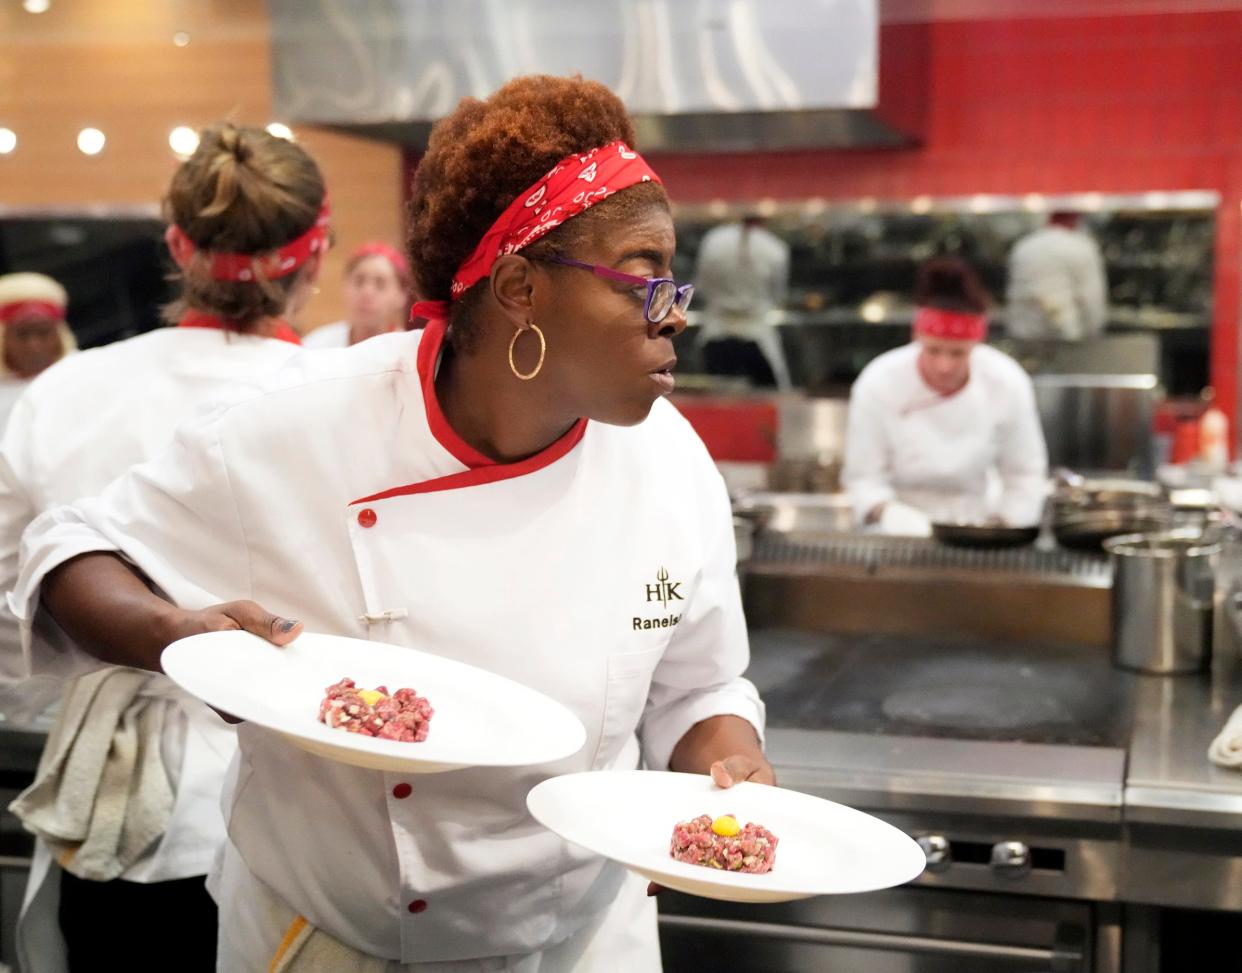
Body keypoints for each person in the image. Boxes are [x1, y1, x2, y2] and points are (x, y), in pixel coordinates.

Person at [12, 75, 770, 971]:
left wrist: (732, 768)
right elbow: (68, 548)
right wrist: (173, 633)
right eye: (645, 275)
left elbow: (700, 688)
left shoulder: (673, 465)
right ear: (522, 287)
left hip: (582, 939)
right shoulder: (303, 424)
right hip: (337, 941)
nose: (675, 309)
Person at [0, 122, 325, 972]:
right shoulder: (331, 401)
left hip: (104, 812)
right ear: (314, 258)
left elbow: (9, 629)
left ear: (177, 248)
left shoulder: (64, 392)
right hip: (287, 811)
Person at [843, 256, 1048, 533]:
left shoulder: (1007, 382)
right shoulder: (879, 382)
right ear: (917, 338)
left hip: (976, 525)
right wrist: (888, 513)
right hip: (896, 533)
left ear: (976, 344)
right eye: (933, 350)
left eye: (958, 353)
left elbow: (1025, 476)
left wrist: (1002, 526)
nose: (944, 366)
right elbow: (863, 479)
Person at [694, 214, 792, 389]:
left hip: (716, 334)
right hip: (755, 335)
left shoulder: (713, 240)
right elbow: (778, 295)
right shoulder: (775, 247)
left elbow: (702, 286)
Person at [1006, 211, 1108, 342]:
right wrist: (1094, 332)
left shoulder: (1024, 245)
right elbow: (1091, 298)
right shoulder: (1082, 247)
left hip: (1023, 330)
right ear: (1076, 219)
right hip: (1065, 332)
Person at [0, 273, 77, 429]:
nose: (34, 345)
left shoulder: (87, 373)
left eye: (43, 332)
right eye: (22, 334)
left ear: (59, 334)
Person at [303, 242, 412, 349]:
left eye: (380, 284)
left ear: (401, 295)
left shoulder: (408, 353)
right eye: (359, 281)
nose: (367, 292)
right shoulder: (315, 346)